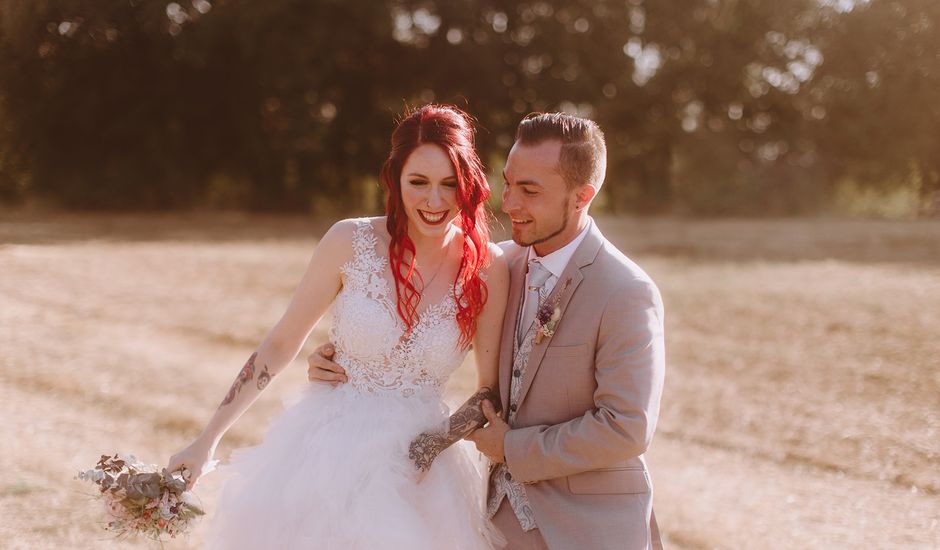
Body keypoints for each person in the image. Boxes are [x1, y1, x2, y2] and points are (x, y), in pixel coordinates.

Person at [309, 113, 666, 549]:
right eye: (509, 182)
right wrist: (350, 357)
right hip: (502, 525)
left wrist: (512, 448)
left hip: (590, 527)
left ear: (582, 196)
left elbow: (626, 427)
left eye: (529, 191)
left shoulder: (626, 291)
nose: (509, 202)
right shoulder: (496, 265)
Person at [166, 104, 510, 550]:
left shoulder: (486, 266)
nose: (435, 200)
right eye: (418, 182)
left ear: (468, 184)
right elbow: (280, 343)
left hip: (423, 467)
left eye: (450, 184)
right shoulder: (349, 241)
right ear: (394, 179)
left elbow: (489, 391)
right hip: (327, 450)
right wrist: (206, 441)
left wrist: (428, 448)